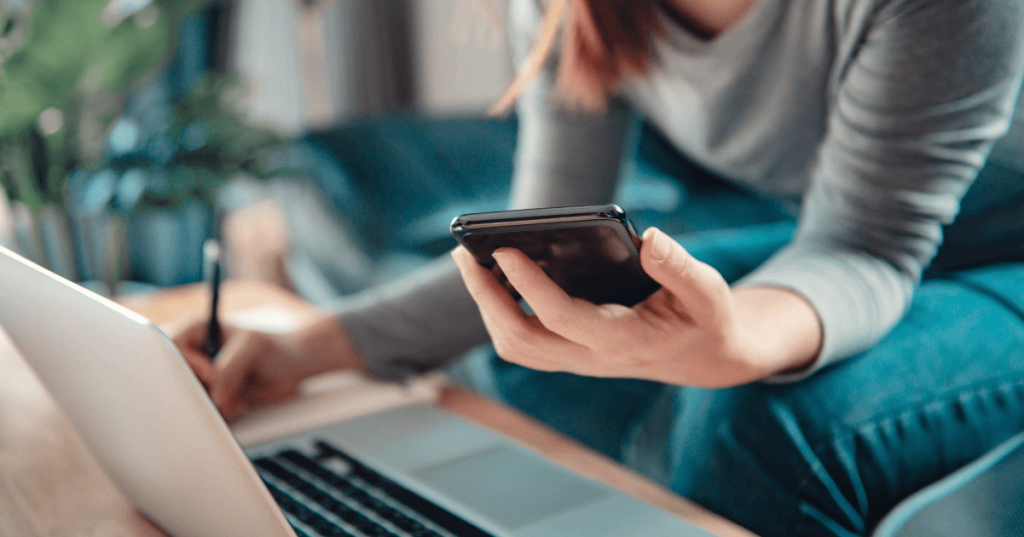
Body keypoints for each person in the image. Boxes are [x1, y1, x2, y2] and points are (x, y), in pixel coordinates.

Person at [173, 0, 1024, 535]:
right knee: (541, 369)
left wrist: (737, 346)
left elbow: (866, 246)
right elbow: (535, 248)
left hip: (1000, 243)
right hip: (845, 226)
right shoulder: (574, 8)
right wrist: (306, 348)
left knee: (755, 427)